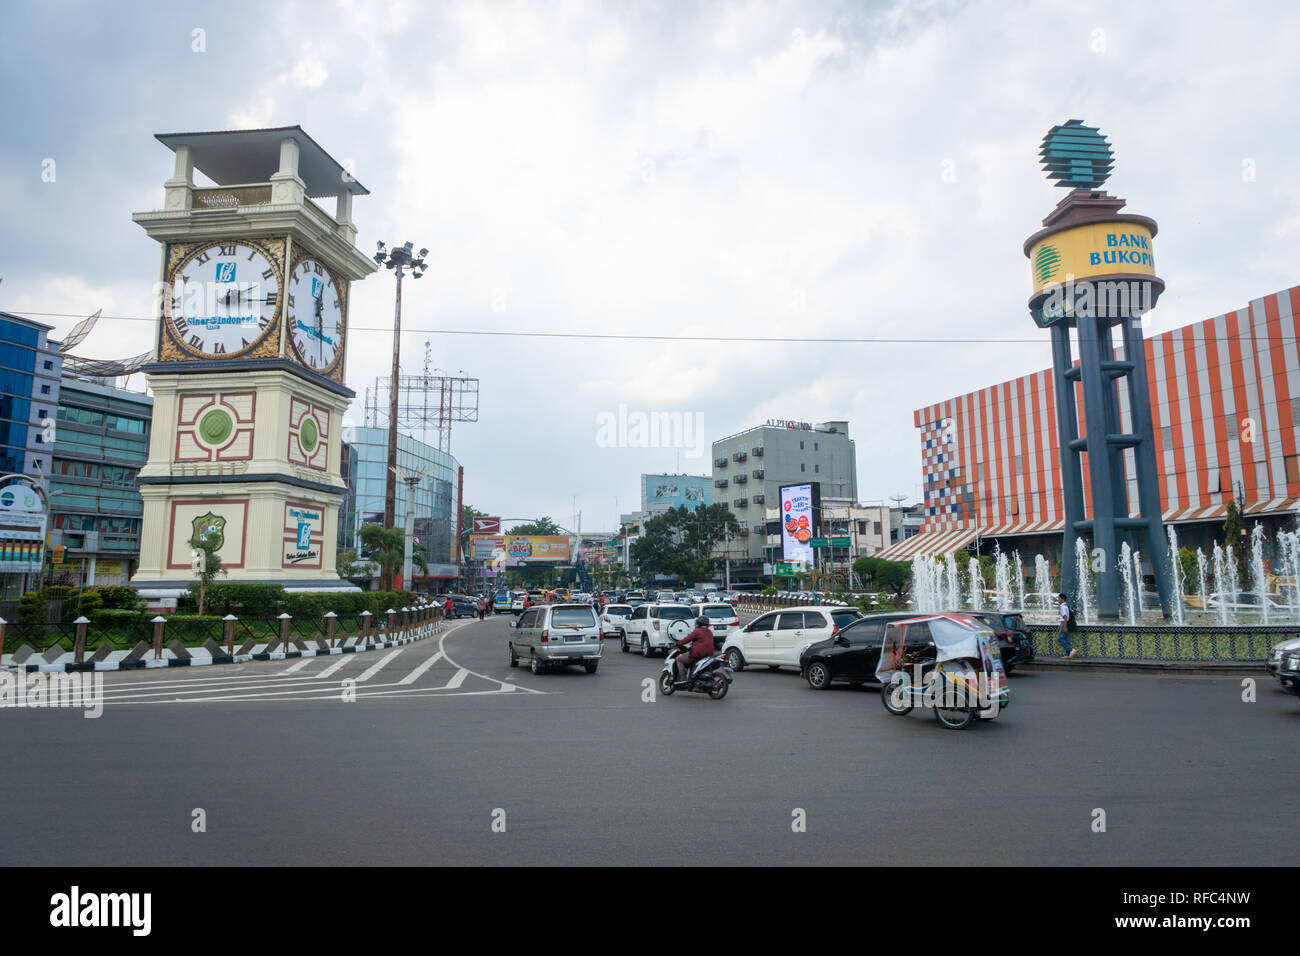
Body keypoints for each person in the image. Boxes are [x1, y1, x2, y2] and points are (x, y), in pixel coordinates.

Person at [674, 615, 716, 682]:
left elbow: (687, 639)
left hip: (698, 654)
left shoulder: (697, 631)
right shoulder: (709, 632)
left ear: (699, 623)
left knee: (679, 659)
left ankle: (683, 678)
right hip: (709, 654)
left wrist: (677, 643)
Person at [1058, 593, 1077, 658]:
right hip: (1066, 623)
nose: (1058, 600)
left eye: (1059, 598)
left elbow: (1065, 617)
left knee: (1060, 638)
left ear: (1062, 599)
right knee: (1067, 639)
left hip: (1065, 624)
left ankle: (1071, 650)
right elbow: (1065, 617)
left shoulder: (1063, 607)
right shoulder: (1066, 606)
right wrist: (1060, 625)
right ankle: (1069, 655)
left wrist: (1064, 626)